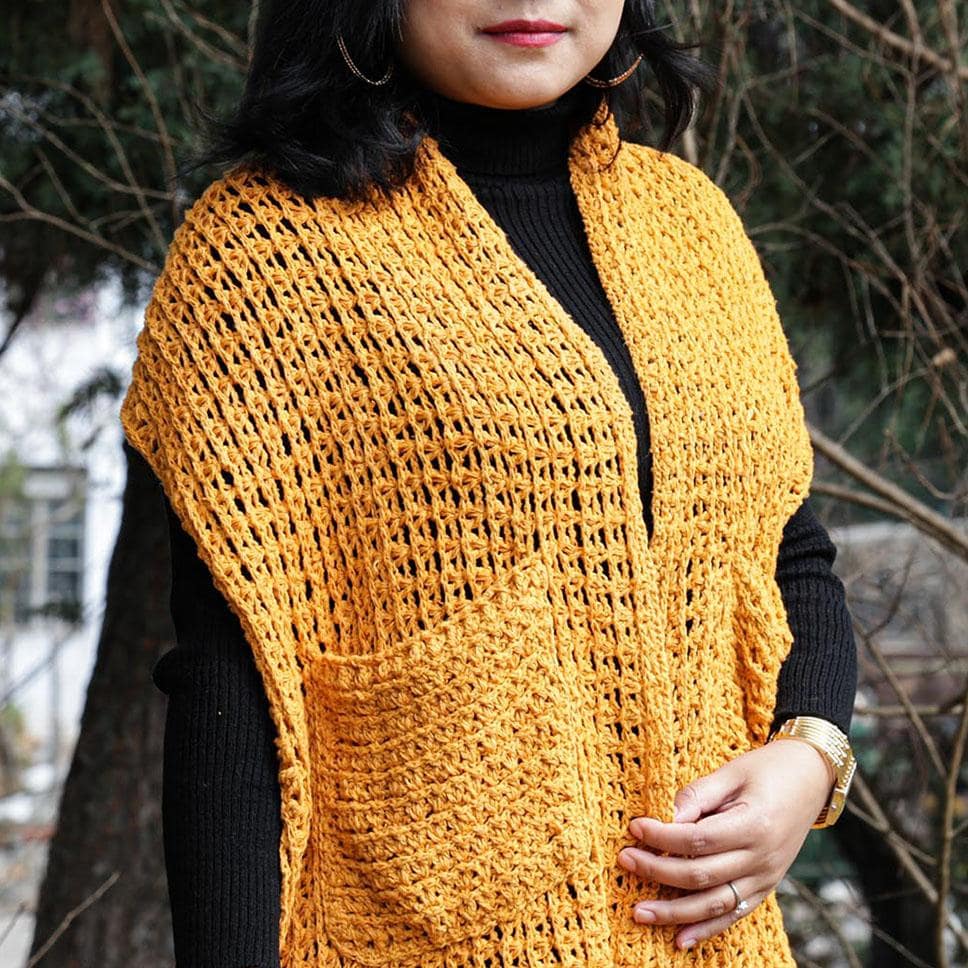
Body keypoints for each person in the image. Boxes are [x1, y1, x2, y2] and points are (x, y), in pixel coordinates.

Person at [122, 1, 859, 966]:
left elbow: (785, 550)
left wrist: (811, 756)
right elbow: (230, 682)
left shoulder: (691, 226)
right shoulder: (268, 254)